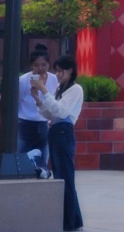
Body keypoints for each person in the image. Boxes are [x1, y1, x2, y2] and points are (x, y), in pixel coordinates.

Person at [31, 54, 84, 231]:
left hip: (64, 133)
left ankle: (70, 222)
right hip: (55, 131)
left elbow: (61, 112)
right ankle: (73, 221)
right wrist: (39, 100)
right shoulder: (61, 89)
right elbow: (50, 114)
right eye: (57, 71)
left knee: (65, 178)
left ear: (70, 70)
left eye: (61, 71)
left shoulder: (75, 89)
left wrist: (44, 91)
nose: (58, 74)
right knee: (61, 177)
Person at [19, 45, 58, 178]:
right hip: (24, 123)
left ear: (49, 65)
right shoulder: (24, 80)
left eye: (44, 64)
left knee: (43, 158)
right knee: (21, 157)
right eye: (36, 65)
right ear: (31, 66)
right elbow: (17, 102)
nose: (40, 68)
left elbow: (56, 101)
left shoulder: (54, 80)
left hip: (43, 123)